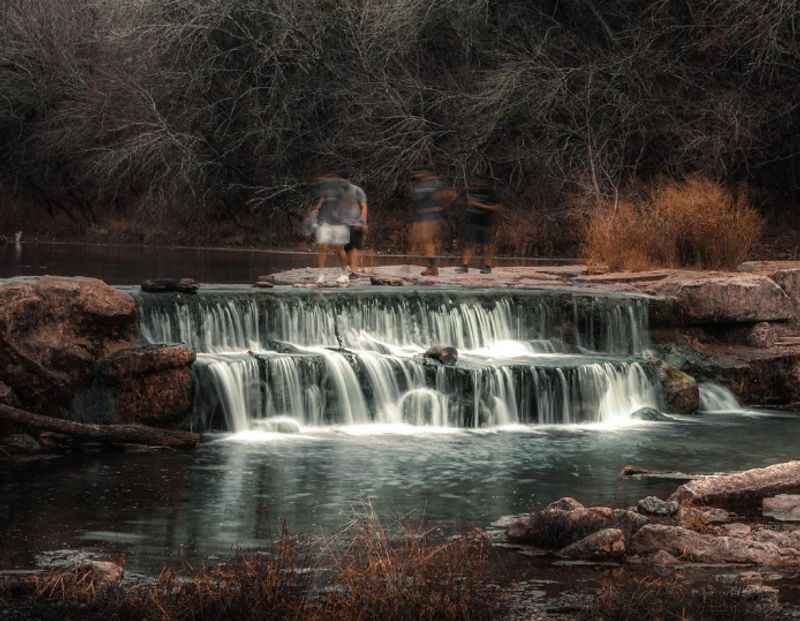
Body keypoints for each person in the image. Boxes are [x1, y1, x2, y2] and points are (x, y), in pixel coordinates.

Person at [409, 170, 456, 276]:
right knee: (420, 242)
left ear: (427, 173)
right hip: (420, 216)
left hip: (431, 216)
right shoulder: (419, 185)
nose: (417, 175)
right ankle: (431, 267)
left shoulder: (436, 184)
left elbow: (452, 194)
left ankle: (432, 268)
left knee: (427, 241)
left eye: (420, 173)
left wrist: (443, 206)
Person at [308, 175, 350, 284]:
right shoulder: (325, 193)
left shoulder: (342, 192)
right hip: (325, 223)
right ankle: (321, 275)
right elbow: (320, 205)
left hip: (339, 224)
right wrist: (316, 211)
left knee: (339, 249)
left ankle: (344, 273)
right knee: (323, 246)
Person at [457, 177, 501, 274]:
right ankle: (464, 266)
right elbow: (459, 202)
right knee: (468, 244)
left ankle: (487, 266)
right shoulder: (469, 191)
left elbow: (496, 207)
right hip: (470, 221)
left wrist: (477, 204)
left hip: (485, 222)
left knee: (487, 245)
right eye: (475, 182)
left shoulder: (492, 193)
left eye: (479, 182)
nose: (476, 184)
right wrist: (465, 202)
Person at [340, 181, 368, 278]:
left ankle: (354, 271)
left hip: (354, 223)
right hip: (341, 223)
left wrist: (362, 221)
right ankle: (348, 268)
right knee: (344, 248)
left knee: (353, 247)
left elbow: (364, 206)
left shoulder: (357, 190)